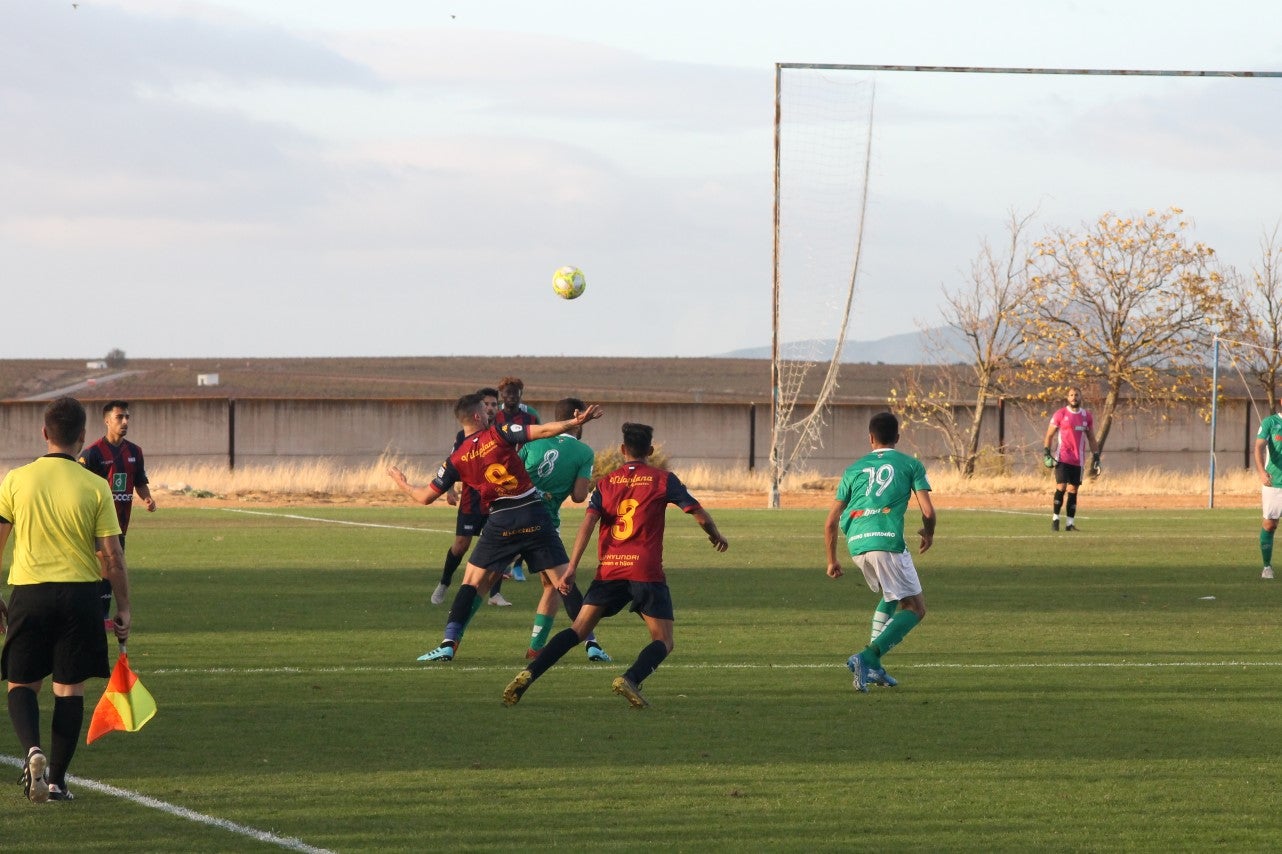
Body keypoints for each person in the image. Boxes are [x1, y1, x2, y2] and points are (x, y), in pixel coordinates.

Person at [502, 422, 728, 709]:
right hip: (645, 570)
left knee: (578, 630)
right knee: (664, 640)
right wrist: (715, 535)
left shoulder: (606, 483)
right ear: (650, 450)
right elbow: (698, 513)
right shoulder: (662, 479)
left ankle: (529, 673)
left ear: (622, 450)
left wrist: (571, 568)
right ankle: (630, 678)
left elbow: (587, 523)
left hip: (609, 569)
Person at [387, 393, 604, 662]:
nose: (492, 413)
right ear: (477, 416)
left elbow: (424, 497)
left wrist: (401, 482)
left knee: (471, 581)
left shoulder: (455, 459)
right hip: (533, 512)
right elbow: (544, 429)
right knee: (562, 583)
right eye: (485, 410)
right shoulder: (499, 433)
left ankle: (448, 643)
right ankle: (592, 644)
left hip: (500, 519)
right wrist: (578, 421)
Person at [0, 397, 131, 803]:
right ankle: (56, 782)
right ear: (80, 437)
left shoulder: (16, 480)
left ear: (44, 434)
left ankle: (31, 751)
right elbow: (112, 556)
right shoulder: (95, 486)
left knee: (22, 682)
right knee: (68, 690)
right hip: (80, 597)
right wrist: (124, 607)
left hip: (30, 592)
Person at [824, 411, 934, 693]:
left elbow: (831, 520)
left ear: (870, 438)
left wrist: (832, 559)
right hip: (886, 541)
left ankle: (874, 668)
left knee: (891, 594)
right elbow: (928, 511)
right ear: (897, 438)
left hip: (857, 543)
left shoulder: (853, 469)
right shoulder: (911, 464)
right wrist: (929, 532)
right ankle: (867, 657)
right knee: (915, 608)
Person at [518, 397, 611, 662]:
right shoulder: (583, 452)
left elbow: (514, 477)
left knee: (481, 581)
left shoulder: (532, 442)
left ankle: (535, 647)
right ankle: (591, 643)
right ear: (577, 417)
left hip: (509, 519)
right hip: (543, 525)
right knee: (562, 584)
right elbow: (580, 496)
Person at [430, 387, 512, 607]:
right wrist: (449, 489)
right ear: (479, 410)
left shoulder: (503, 432)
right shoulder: (464, 435)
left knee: (498, 545)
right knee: (460, 545)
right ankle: (444, 582)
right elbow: (453, 462)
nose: (491, 408)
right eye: (486, 405)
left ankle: (494, 594)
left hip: (496, 500)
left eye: (494, 405)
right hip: (471, 499)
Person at [78, 400, 156, 627]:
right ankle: (97, 615)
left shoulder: (134, 452)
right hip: (95, 526)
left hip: (119, 525)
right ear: (107, 421)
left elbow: (139, 481)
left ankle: (100, 615)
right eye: (120, 417)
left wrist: (148, 498)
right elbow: (79, 486)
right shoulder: (92, 453)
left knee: (112, 570)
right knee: (103, 567)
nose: (125, 422)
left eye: (127, 417)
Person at [494, 376, 539, 582]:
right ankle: (501, 564)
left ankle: (518, 565)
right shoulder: (496, 417)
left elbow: (538, 442)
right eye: (507, 393)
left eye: (515, 393)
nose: (511, 397)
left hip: (524, 473)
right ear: (501, 395)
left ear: (521, 394)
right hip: (501, 474)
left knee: (527, 519)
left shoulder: (530, 418)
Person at [1042, 387, 1101, 532]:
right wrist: (1046, 453)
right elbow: (1049, 435)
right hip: (1062, 457)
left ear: (1081, 397)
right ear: (1067, 398)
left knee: (1073, 489)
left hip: (1078, 459)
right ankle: (1055, 520)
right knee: (1061, 486)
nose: (1074, 397)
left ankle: (1069, 524)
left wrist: (1096, 456)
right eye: (1071, 395)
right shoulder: (1060, 414)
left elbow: (1091, 437)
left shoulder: (1087, 416)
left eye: (1076, 395)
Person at [1253, 405, 1282, 579]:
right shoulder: (1270, 422)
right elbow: (1258, 447)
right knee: (1270, 524)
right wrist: (1262, 472)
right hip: (1275, 482)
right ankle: (1267, 567)